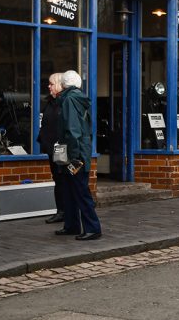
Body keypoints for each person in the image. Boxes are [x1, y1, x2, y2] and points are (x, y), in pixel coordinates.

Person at [55, 70, 102, 240]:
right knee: (69, 191)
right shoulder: (77, 98)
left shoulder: (69, 100)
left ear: (64, 84)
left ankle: (93, 228)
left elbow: (72, 130)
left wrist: (74, 158)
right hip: (78, 152)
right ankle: (72, 225)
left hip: (74, 155)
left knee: (80, 191)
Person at [37, 73, 66, 224]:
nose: (48, 86)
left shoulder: (65, 103)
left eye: (51, 84)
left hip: (62, 149)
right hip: (51, 148)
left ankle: (67, 211)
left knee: (64, 179)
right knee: (57, 179)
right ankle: (61, 211)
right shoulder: (49, 102)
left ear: (61, 85)